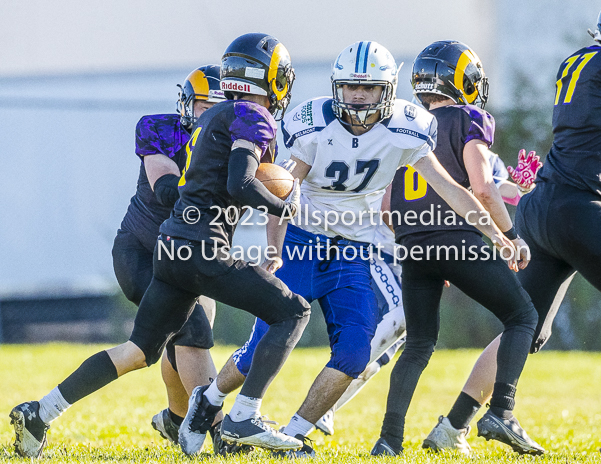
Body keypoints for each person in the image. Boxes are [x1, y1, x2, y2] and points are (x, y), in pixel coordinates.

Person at [185, 40, 524, 458]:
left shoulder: (408, 126)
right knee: (260, 348)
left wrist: (499, 236)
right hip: (304, 242)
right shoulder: (312, 122)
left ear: (390, 89)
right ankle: (210, 399)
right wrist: (274, 248)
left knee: (354, 354)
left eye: (368, 88)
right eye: (349, 87)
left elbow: (452, 190)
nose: (358, 97)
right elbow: (284, 191)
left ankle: (295, 432)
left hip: (354, 252)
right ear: (336, 87)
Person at [10, 32, 309, 459]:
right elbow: (240, 183)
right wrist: (285, 202)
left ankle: (41, 411)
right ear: (277, 79)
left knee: (139, 350)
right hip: (196, 249)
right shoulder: (250, 118)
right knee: (292, 311)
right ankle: (239, 419)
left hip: (171, 246)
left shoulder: (211, 119)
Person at [424, 1, 601, 457]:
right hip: (577, 210)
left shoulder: (582, 59)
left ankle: (452, 426)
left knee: (523, 326)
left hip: (539, 207)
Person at [369, 40, 543, 457]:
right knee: (523, 316)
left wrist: (425, 249)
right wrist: (510, 235)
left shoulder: (405, 124)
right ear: (462, 80)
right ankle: (502, 409)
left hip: (412, 245)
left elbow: (388, 207)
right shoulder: (469, 117)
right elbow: (481, 187)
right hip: (455, 239)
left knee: (418, 344)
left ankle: (388, 441)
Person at [110, 64, 224, 446]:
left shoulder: (239, 142)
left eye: (219, 107)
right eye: (204, 106)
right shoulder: (161, 129)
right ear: (186, 103)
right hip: (143, 251)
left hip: (191, 252)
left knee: (186, 337)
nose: (209, 115)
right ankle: (224, 434)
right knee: (193, 332)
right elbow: (165, 188)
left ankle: (176, 419)